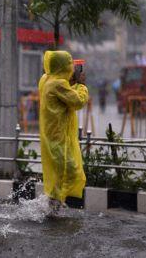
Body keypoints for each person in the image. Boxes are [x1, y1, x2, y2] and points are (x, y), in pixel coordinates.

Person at [38, 51, 89, 209]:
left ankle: (55, 205)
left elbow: (65, 96)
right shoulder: (58, 84)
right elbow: (77, 101)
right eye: (69, 65)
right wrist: (81, 85)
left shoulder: (46, 79)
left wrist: (71, 82)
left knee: (60, 173)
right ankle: (53, 209)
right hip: (58, 137)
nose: (72, 68)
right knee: (65, 171)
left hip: (53, 135)